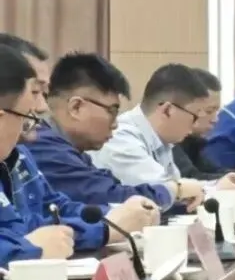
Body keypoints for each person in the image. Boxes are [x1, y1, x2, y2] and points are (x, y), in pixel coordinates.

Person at [0, 46, 154, 264]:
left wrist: (116, 217)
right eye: (35, 92)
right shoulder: (43, 145)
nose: (42, 106)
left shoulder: (20, 154)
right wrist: (105, 229)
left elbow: (55, 209)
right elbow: (23, 232)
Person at [26, 52, 190, 210]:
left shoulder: (71, 150)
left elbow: (110, 188)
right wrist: (176, 190)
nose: (115, 125)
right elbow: (113, 199)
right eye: (111, 111)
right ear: (76, 107)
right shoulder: (44, 146)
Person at [91, 65, 235, 209]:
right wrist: (216, 187)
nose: (195, 124)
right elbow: (164, 191)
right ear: (168, 110)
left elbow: (178, 187)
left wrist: (218, 184)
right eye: (195, 116)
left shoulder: (162, 140)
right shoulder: (121, 138)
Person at [174, 69, 233, 180]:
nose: (215, 119)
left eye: (217, 111)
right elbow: (190, 177)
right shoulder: (168, 140)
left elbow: (210, 170)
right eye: (209, 111)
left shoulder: (192, 141)